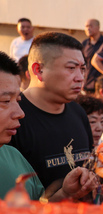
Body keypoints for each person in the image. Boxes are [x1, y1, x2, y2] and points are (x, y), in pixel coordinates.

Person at [0, 51, 96, 201]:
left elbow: (37, 210)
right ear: (38, 70)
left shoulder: (13, 155)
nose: (20, 113)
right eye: (6, 101)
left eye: (17, 101)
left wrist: (65, 193)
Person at [82, 19, 103, 94]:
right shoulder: (85, 44)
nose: (88, 28)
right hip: (87, 84)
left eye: (90, 26)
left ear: (98, 27)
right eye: (86, 26)